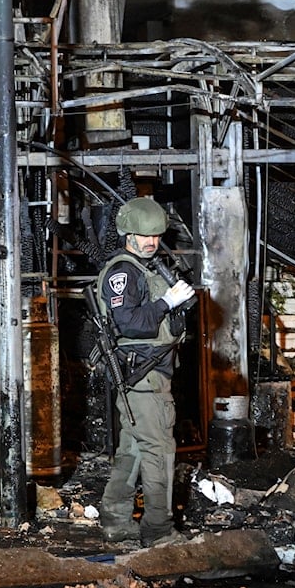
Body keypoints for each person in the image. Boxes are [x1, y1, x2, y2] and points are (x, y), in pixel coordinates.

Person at [96, 196, 195, 547]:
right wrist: (166, 302)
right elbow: (131, 323)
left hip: (153, 372)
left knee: (134, 450)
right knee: (159, 450)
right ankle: (158, 529)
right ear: (128, 234)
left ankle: (116, 521)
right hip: (143, 376)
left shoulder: (146, 268)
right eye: (144, 236)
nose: (151, 242)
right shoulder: (124, 272)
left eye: (155, 236)